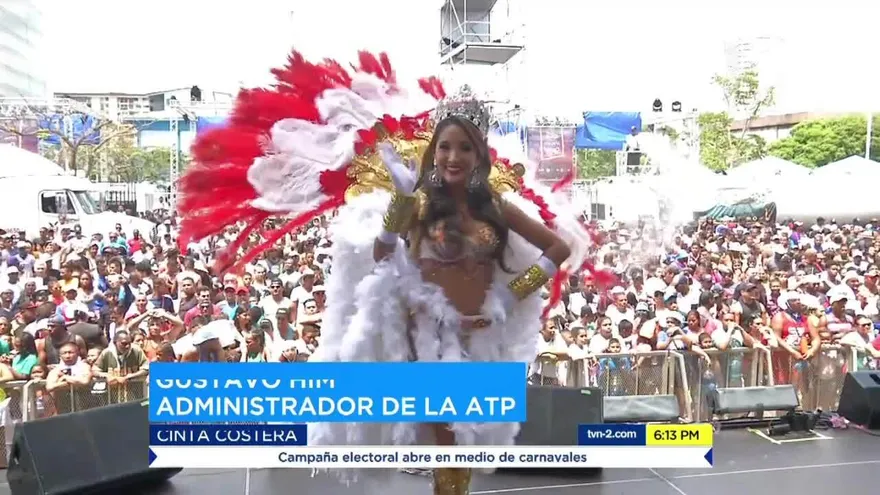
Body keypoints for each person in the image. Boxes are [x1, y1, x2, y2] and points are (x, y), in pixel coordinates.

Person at [174, 52, 590, 495]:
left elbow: (557, 248)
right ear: (433, 151)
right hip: (426, 337)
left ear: (479, 154)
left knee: (461, 446)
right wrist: (401, 202)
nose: (453, 157)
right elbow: (381, 253)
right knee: (446, 440)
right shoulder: (419, 202)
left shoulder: (497, 206)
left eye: (465, 148)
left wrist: (506, 299)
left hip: (479, 338)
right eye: (445, 147)